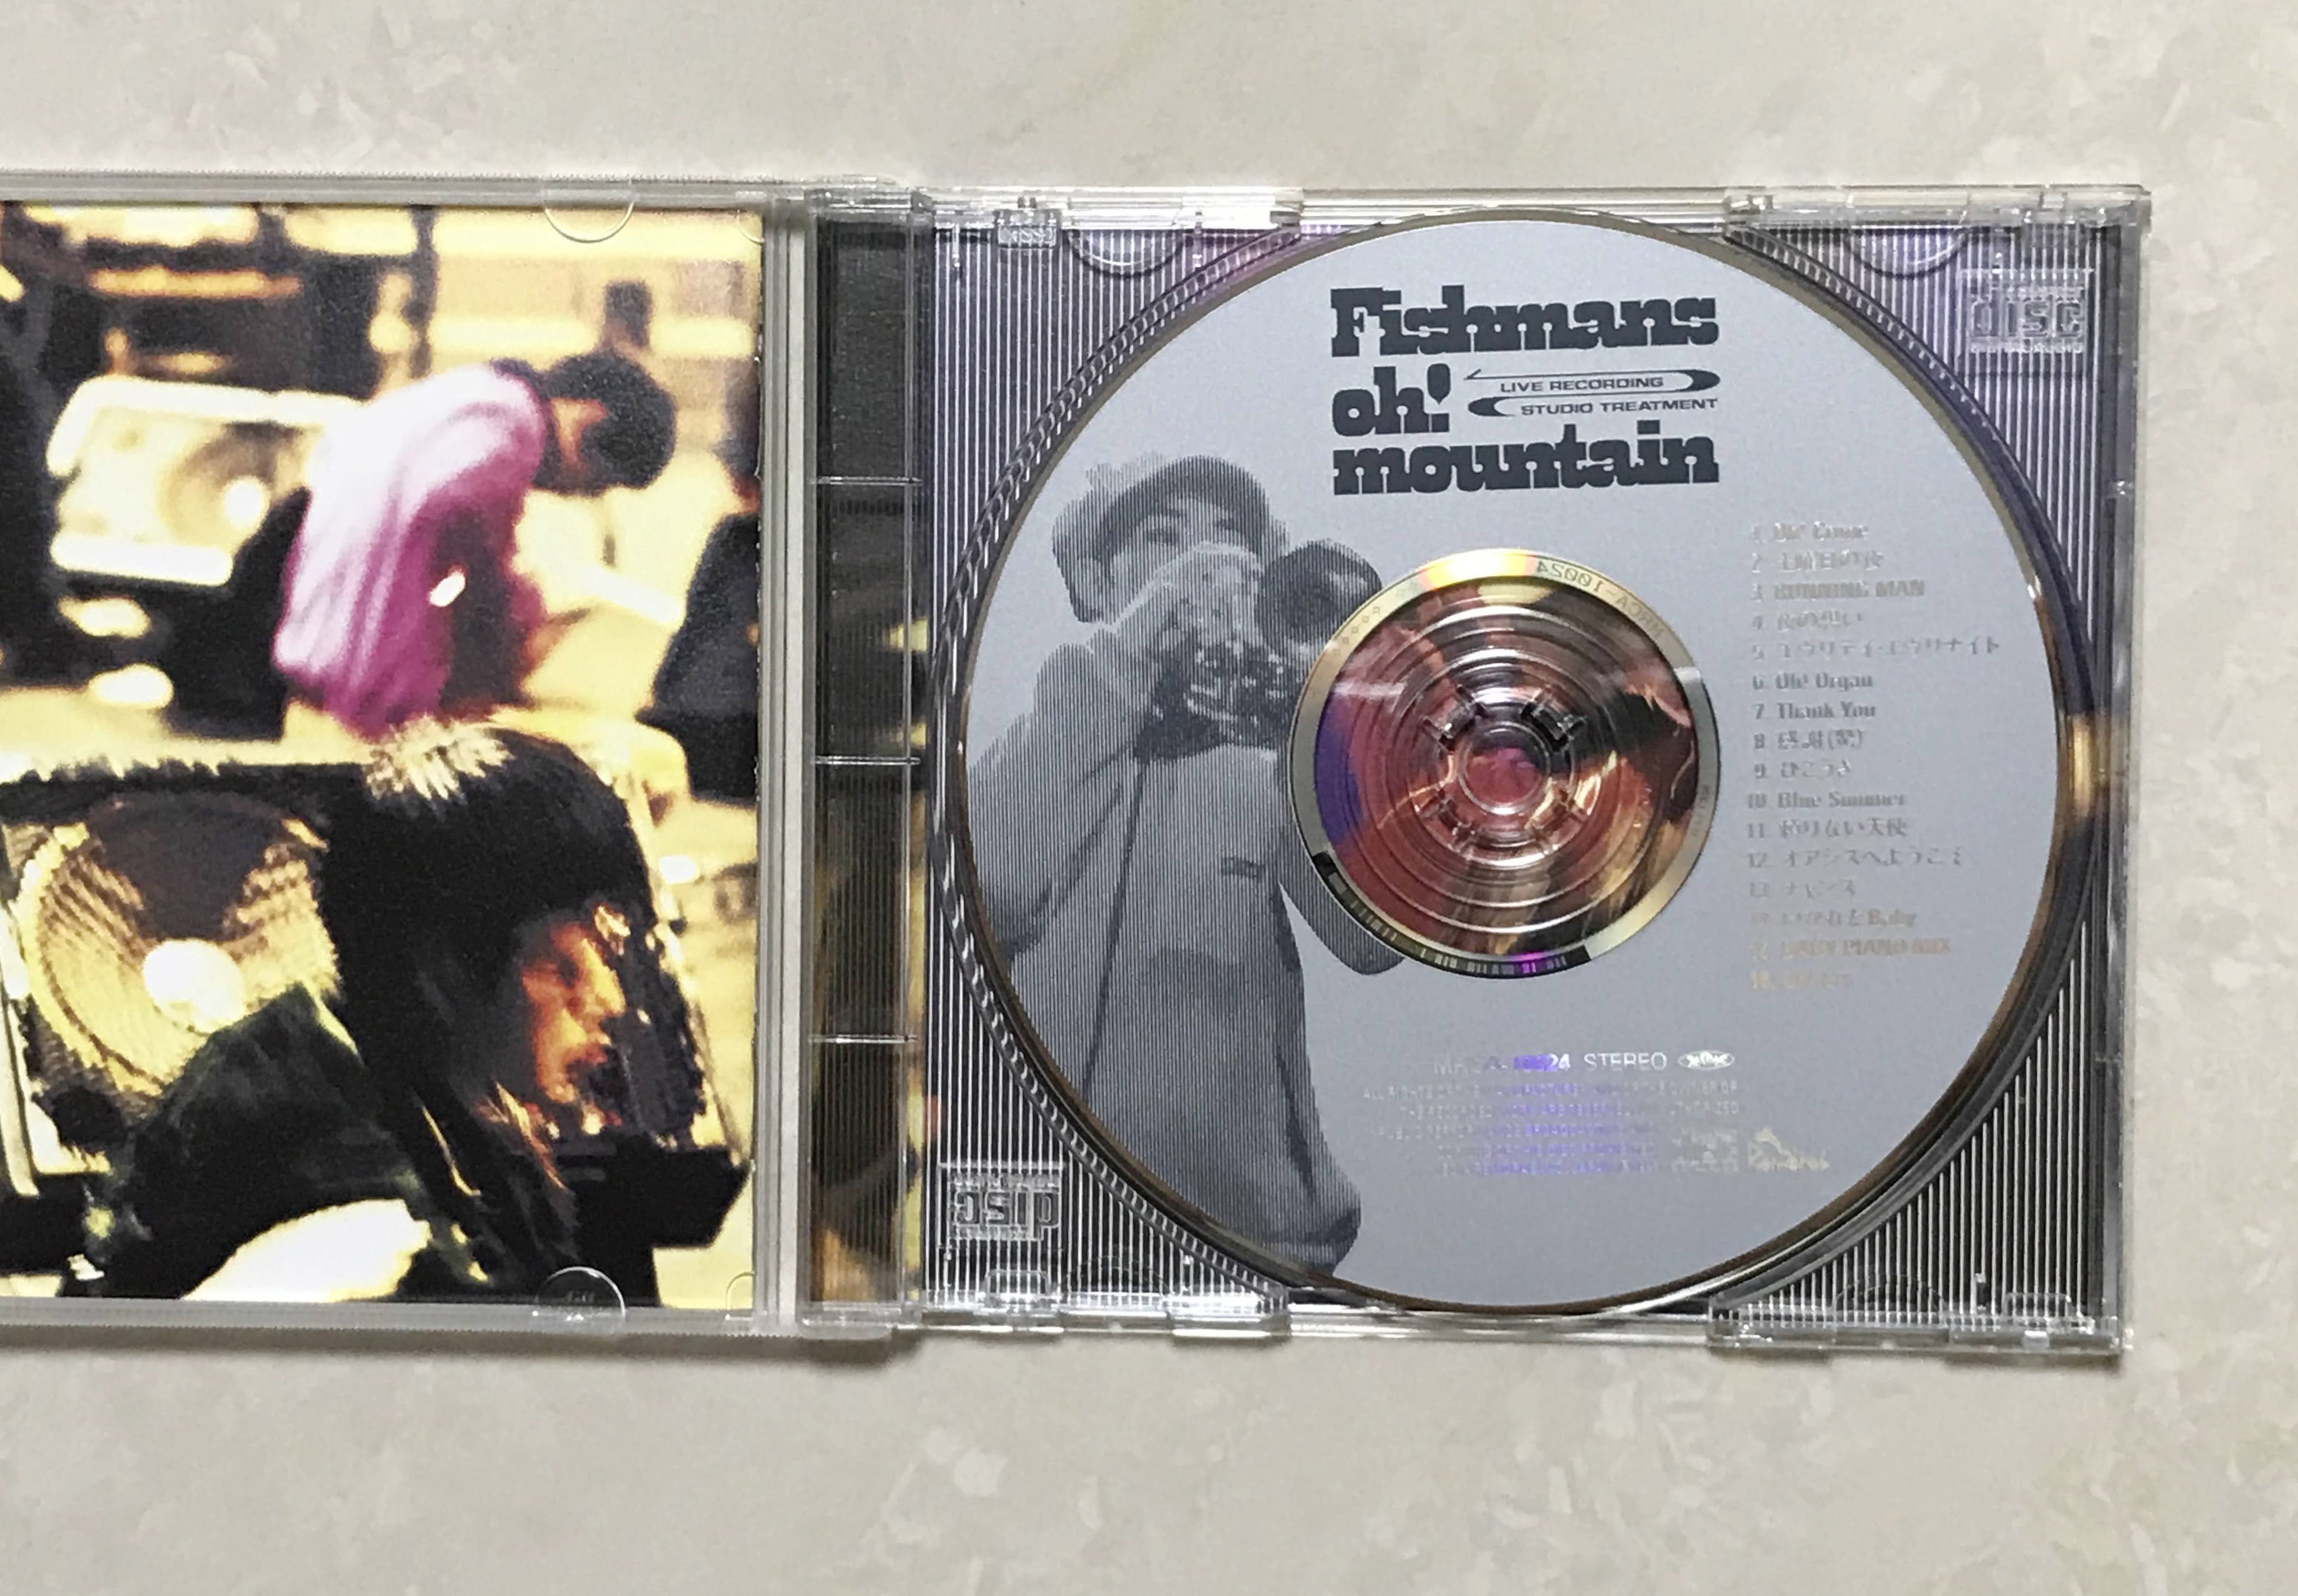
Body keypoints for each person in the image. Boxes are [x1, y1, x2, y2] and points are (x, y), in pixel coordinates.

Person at [968, 456, 1398, 1275]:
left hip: (1247, 1243)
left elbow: (1371, 941)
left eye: (1230, 539)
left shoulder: (1275, 754)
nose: (1203, 564)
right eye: (1162, 540)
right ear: (1098, 584)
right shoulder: (1049, 730)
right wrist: (1124, 656)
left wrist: (1330, 730)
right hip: (1031, 1240)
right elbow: (987, 888)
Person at [73, 723, 674, 1303]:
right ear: (443, 968)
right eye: (561, 968)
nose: (610, 1000)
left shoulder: (343, 1031)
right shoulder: (372, 1248)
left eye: (605, 952)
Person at [271, 352, 676, 737]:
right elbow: (460, 515)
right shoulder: (513, 428)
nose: (571, 494)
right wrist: (511, 613)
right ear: (587, 424)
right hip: (374, 692)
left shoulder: (463, 393)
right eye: (594, 483)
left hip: (304, 660)